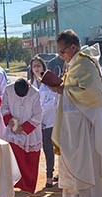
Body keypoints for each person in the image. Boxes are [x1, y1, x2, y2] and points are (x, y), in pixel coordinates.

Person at [48, 29, 102, 197]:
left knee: (84, 161)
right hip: (71, 124)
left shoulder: (85, 64)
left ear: (73, 47)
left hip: (84, 123)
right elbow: (72, 89)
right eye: (59, 52)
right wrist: (61, 88)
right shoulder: (74, 63)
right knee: (71, 161)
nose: (61, 55)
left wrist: (63, 90)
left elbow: (91, 94)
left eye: (63, 51)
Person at [2, 78, 44, 193]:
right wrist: (11, 122)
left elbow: (38, 115)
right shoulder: (8, 90)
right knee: (14, 158)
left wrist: (24, 128)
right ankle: (14, 186)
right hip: (13, 130)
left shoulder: (35, 93)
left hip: (31, 132)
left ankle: (28, 188)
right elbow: (4, 108)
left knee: (31, 161)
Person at [30, 55, 59, 188]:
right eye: (34, 66)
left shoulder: (49, 82)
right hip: (36, 123)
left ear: (43, 67)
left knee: (50, 149)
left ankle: (49, 176)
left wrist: (38, 114)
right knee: (39, 149)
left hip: (49, 121)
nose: (36, 68)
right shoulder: (30, 85)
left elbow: (51, 103)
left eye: (38, 65)